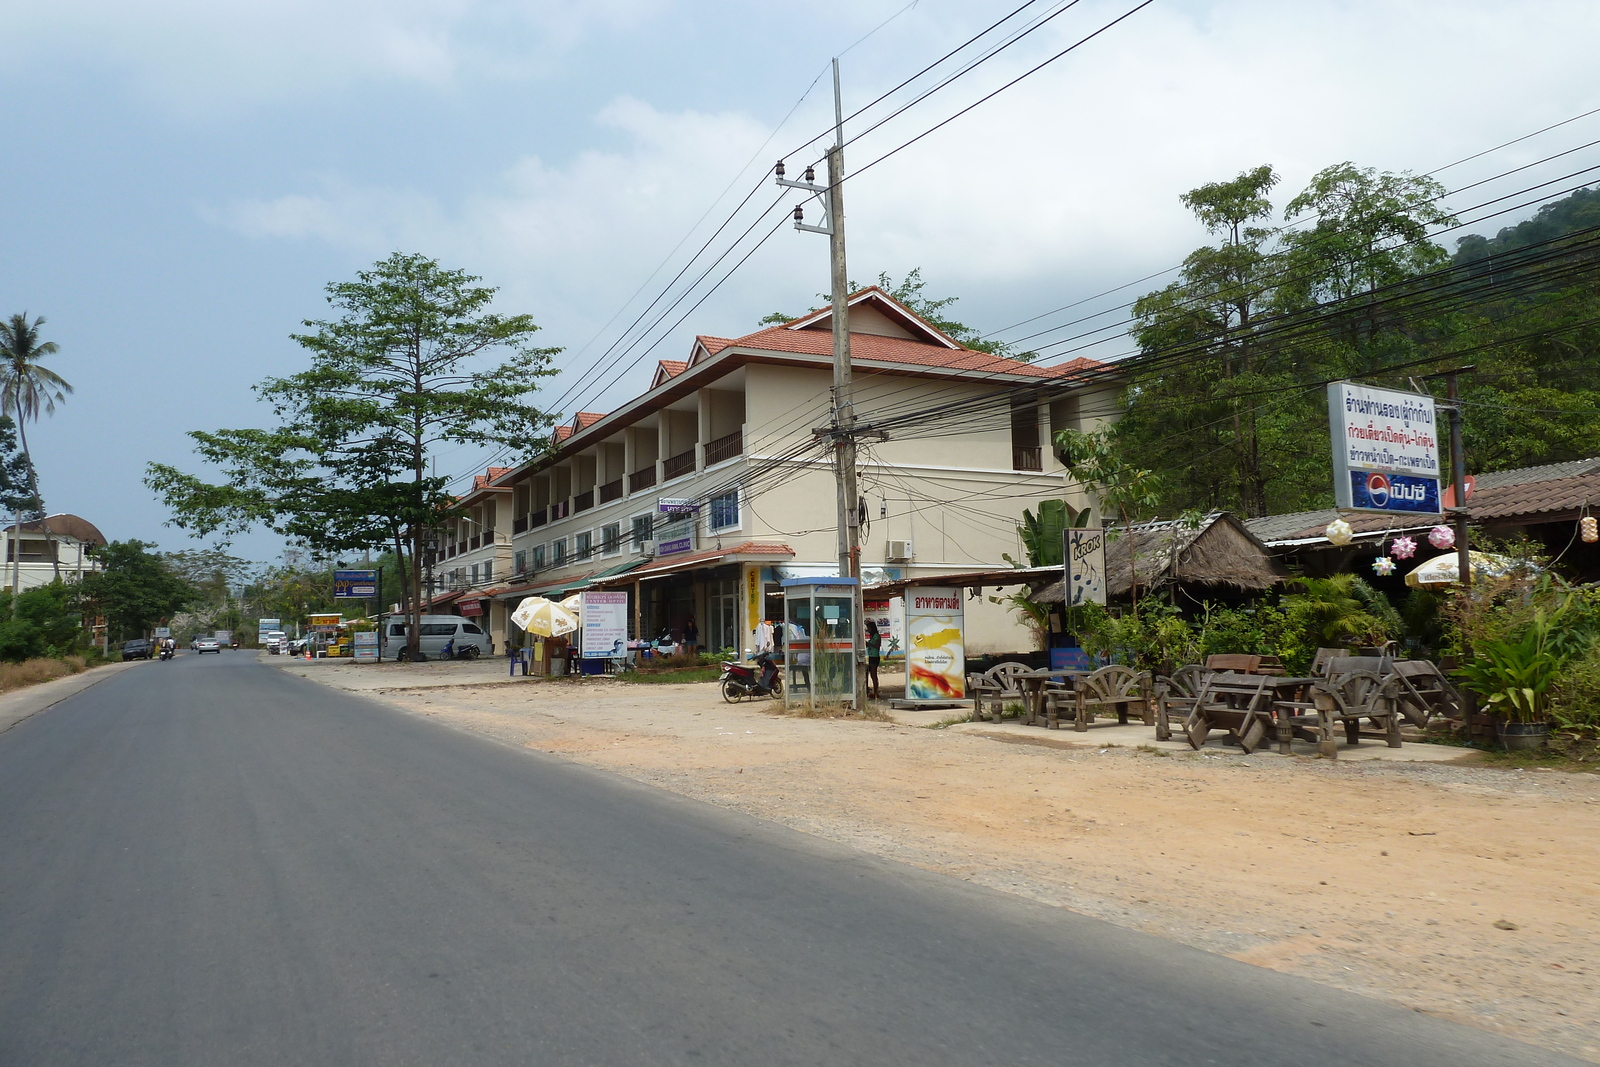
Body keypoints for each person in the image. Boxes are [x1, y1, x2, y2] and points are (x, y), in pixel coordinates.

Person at [864, 619, 882, 700]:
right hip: (871, 656)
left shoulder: (877, 636)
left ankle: (876, 692)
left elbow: (877, 646)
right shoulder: (872, 636)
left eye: (869, 628)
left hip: (875, 657)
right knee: (870, 674)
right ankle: (872, 691)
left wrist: (869, 644)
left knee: (874, 675)